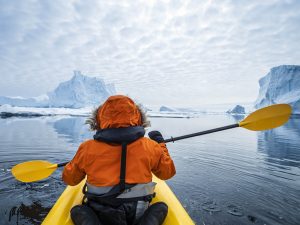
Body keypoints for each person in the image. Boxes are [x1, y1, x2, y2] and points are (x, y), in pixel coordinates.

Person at [62, 95, 176, 225]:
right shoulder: (151, 146)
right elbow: (168, 172)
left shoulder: (87, 148)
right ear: (138, 118)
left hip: (100, 214)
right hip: (137, 214)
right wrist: (160, 145)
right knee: (161, 207)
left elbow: (69, 179)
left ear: (99, 120)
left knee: (78, 210)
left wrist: (76, 161)